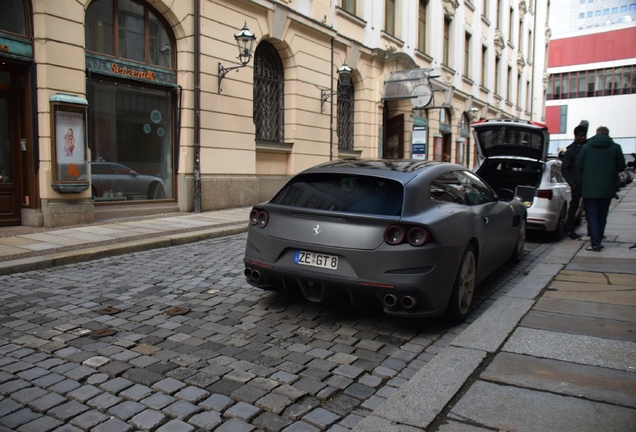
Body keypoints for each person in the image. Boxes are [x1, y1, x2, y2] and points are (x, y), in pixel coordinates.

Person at [575, 126, 626, 252]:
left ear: (596, 134)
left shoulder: (586, 147)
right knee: (602, 215)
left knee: (592, 215)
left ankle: (595, 242)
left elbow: (578, 165)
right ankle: (598, 240)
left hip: (590, 188)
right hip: (607, 187)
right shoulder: (615, 147)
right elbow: (621, 166)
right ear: (607, 134)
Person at [561, 124, 587, 239]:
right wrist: (573, 183)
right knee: (574, 207)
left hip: (587, 182)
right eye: (581, 135)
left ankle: (592, 231)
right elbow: (565, 169)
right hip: (577, 183)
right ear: (575, 136)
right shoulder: (570, 151)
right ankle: (570, 230)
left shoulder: (587, 147)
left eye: (584, 135)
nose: (583, 137)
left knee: (589, 208)